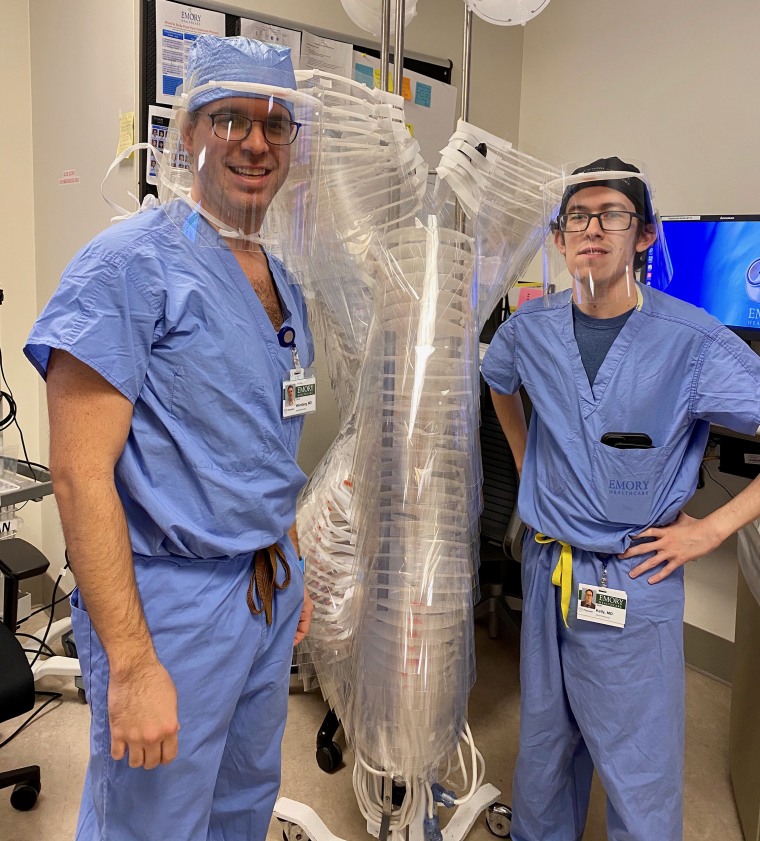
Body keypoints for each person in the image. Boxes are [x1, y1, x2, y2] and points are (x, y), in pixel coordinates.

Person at [25, 36, 314, 841]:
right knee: (150, 824)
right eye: (230, 119)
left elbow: (266, 438)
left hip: (264, 585)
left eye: (274, 122)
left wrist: (284, 552)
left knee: (239, 806)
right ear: (187, 134)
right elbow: (82, 475)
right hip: (169, 607)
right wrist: (134, 660)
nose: (255, 142)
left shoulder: (279, 280)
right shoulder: (126, 266)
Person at [481, 156, 760, 841]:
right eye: (577, 215)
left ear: (645, 235)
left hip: (633, 575)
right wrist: (526, 464)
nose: (591, 228)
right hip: (547, 568)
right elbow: (499, 380)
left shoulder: (692, 341)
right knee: (544, 752)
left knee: (638, 767)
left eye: (611, 214)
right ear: (558, 237)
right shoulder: (531, 328)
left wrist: (712, 529)